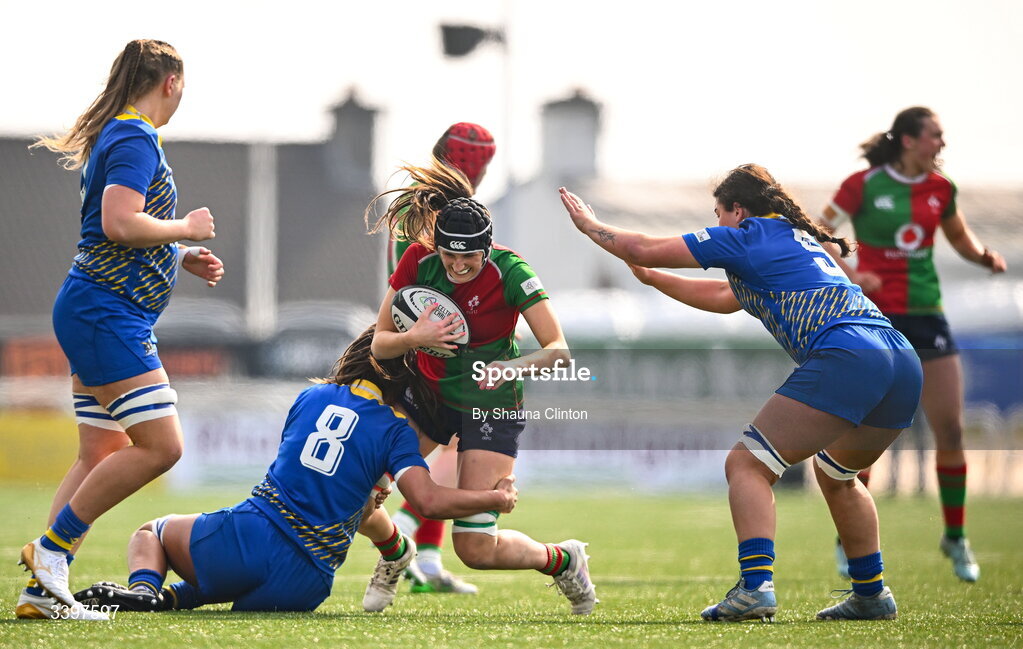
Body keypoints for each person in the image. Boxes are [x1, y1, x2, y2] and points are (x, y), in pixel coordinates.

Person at [559, 164, 923, 622]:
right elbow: (722, 298)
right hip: (899, 358)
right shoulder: (794, 240)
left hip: (848, 352)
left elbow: (642, 246)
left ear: (739, 210)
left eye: (718, 213)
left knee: (746, 464)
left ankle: (755, 588)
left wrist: (590, 226)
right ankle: (872, 594)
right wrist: (653, 280)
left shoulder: (747, 235)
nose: (716, 224)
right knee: (837, 475)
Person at [71, 327, 518, 613]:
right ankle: (171, 599)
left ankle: (147, 590)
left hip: (253, 537)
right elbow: (428, 501)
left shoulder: (311, 398)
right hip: (308, 583)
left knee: (151, 532)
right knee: (225, 581)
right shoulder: (399, 432)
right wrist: (494, 499)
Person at [16, 39, 224, 621]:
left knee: (98, 452)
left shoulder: (120, 131)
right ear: (172, 82)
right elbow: (117, 222)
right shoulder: (135, 135)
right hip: (108, 311)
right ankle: (52, 553)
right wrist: (186, 226)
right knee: (163, 446)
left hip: (96, 306)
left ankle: (41, 587)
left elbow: (114, 225)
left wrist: (178, 253)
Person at [361, 160, 597, 615]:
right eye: (450, 256)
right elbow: (381, 344)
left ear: (487, 249)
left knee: (475, 549)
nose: (458, 266)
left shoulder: (511, 271)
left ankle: (564, 560)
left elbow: (559, 351)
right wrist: (417, 338)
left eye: (468, 257)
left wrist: (510, 370)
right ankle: (396, 554)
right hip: (430, 396)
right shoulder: (419, 260)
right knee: (361, 491)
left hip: (491, 406)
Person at [820, 107, 1007, 583]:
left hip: (927, 317)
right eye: (935, 136)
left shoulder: (941, 190)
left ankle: (956, 536)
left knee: (952, 429)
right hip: (876, 317)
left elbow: (960, 238)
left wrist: (985, 257)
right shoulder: (861, 185)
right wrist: (852, 273)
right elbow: (819, 234)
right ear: (908, 140)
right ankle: (849, 536)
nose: (941, 144)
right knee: (865, 431)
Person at [385, 122, 497, 595]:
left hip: (417, 334)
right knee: (428, 448)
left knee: (436, 447)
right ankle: (405, 536)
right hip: (426, 340)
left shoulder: (426, 199)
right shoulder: (443, 211)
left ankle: (424, 557)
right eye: (481, 162)